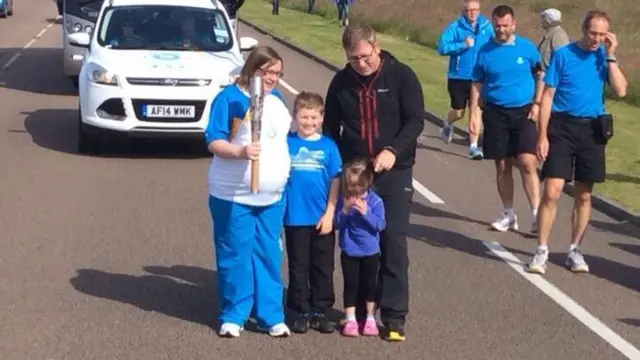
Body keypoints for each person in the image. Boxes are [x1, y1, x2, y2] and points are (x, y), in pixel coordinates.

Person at [323, 23, 424, 342]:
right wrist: (340, 168)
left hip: (394, 170)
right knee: (357, 243)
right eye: (353, 59)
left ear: (376, 48)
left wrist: (394, 150)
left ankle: (394, 315)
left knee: (392, 240)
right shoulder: (341, 83)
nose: (361, 63)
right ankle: (361, 310)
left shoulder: (402, 76)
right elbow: (330, 130)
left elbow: (416, 120)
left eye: (365, 56)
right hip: (357, 174)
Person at [526, 10, 627, 275]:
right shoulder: (564, 54)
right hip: (562, 127)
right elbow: (548, 95)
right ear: (583, 30)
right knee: (552, 191)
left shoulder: (603, 58)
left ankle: (574, 249)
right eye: (592, 33)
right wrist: (542, 135)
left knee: (584, 194)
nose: (596, 39)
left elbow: (621, 90)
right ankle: (541, 250)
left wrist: (611, 55)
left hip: (592, 130)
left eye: (602, 34)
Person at [205, 45, 293, 338]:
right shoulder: (229, 99)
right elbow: (213, 141)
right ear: (252, 69)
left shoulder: (277, 100)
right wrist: (241, 151)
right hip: (233, 195)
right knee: (236, 255)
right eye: (267, 72)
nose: (272, 79)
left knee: (269, 254)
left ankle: (271, 315)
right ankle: (234, 314)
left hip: (271, 197)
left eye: (277, 74)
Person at [468, 5, 542, 234]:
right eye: (497, 26)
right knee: (502, 165)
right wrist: (473, 114)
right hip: (496, 112)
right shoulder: (485, 51)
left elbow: (541, 75)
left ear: (513, 25)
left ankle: (537, 215)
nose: (501, 30)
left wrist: (537, 103)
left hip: (524, 112)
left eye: (505, 25)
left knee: (528, 163)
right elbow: (477, 82)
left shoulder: (527, 49)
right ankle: (509, 213)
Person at [283, 91, 342, 334]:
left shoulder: (328, 146)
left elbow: (335, 181)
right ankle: (300, 310)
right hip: (294, 217)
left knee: (323, 266)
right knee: (299, 265)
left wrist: (330, 213)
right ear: (295, 117)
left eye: (314, 118)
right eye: (304, 117)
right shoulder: (286, 143)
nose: (309, 123)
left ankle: (320, 310)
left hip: (321, 218)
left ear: (322, 117)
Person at [334, 156, 386, 337]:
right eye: (351, 187)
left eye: (360, 187)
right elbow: (337, 224)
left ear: (367, 184)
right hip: (350, 250)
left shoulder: (375, 201)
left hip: (371, 251)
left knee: (369, 285)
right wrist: (345, 211)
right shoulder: (344, 200)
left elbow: (380, 225)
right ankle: (350, 319)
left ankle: (370, 318)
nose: (355, 192)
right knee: (351, 284)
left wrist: (366, 212)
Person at [436, 0, 494, 160]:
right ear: (464, 11)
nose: (473, 13)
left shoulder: (487, 27)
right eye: (469, 10)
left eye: (476, 10)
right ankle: (448, 123)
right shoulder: (456, 27)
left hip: (479, 77)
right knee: (459, 112)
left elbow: (496, 45)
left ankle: (473, 147)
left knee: (476, 110)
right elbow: (441, 47)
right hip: (458, 76)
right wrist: (462, 45)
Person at [537, 8, 570, 72]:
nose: (542, 21)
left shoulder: (558, 35)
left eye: (543, 19)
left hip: (549, 78)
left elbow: (562, 60)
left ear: (548, 21)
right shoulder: (551, 34)